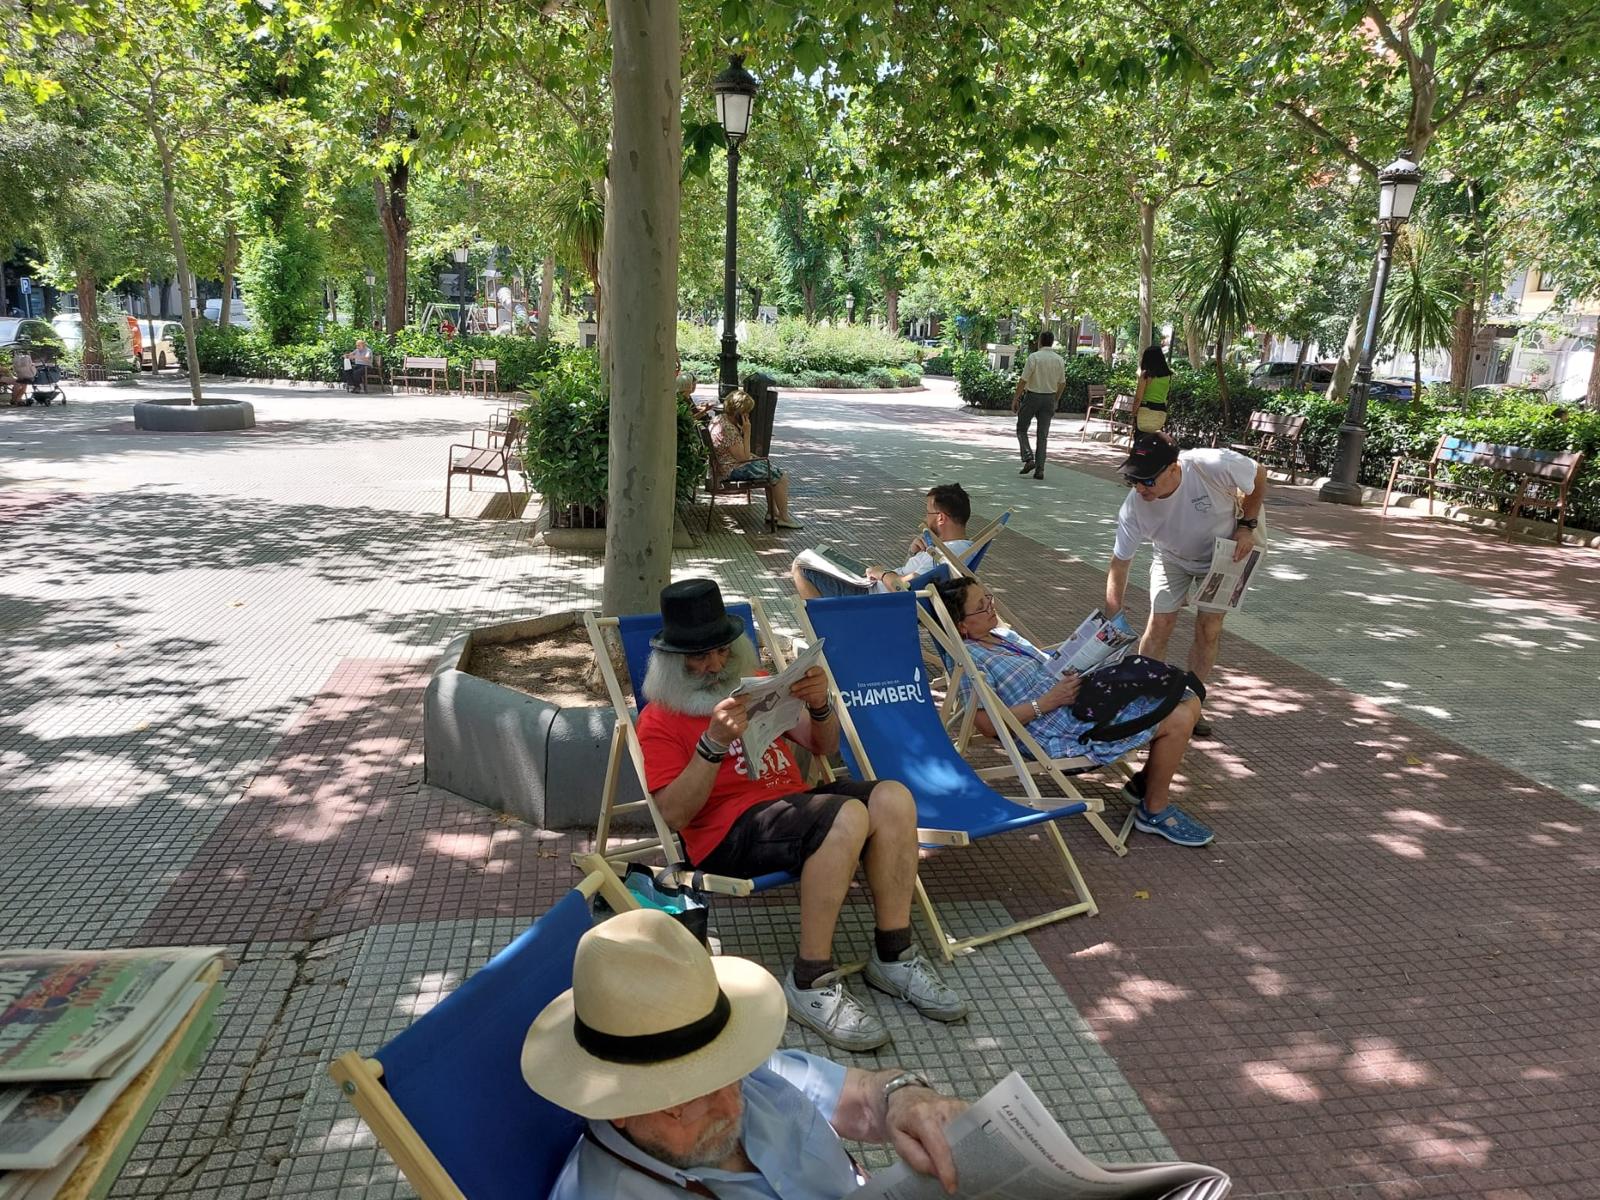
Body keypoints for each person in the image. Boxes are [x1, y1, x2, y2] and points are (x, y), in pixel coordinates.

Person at [637, 579, 966, 1051]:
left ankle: (894, 955)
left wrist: (819, 704)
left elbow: (822, 746)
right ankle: (811, 980)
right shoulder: (660, 719)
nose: (715, 665)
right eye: (699, 657)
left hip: (794, 808)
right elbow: (673, 814)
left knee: (894, 797)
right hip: (727, 834)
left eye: (722, 651)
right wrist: (711, 744)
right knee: (845, 815)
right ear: (672, 662)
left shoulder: (752, 685)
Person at [523, 907, 971, 1200]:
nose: (732, 1105)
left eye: (728, 1071)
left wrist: (904, 1096)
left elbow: (863, 1096)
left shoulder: (748, 1074)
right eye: (690, 1097)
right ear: (617, 1107)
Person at [934, 576, 1212, 847]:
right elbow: (986, 725)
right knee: (1178, 717)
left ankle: (1145, 783)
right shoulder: (969, 658)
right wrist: (1047, 702)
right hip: (1058, 729)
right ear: (962, 626)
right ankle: (1153, 809)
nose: (990, 607)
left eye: (988, 599)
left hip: (1077, 702)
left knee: (1187, 696)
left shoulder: (1000, 635)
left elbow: (1044, 668)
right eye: (981, 607)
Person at [1103, 432, 1268, 739]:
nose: (1140, 488)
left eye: (1148, 480)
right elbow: (1120, 563)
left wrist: (1247, 526)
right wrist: (1112, 619)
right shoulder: (1134, 507)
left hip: (1226, 552)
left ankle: (1192, 702)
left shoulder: (1211, 464)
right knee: (1160, 622)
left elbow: (1258, 473)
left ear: (1174, 468)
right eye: (1133, 479)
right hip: (1172, 556)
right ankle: (1147, 699)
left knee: (1209, 628)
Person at [790, 483, 972, 599]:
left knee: (801, 567)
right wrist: (913, 553)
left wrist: (881, 574)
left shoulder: (944, 555)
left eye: (928, 513)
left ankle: (826, 631)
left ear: (941, 518)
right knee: (815, 559)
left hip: (874, 599)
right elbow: (911, 578)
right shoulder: (960, 549)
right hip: (879, 590)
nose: (925, 518)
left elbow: (904, 590)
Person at [709, 389, 803, 530]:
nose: (748, 415)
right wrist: (747, 432)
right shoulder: (728, 430)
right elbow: (744, 459)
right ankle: (784, 517)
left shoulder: (719, 419)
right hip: (732, 469)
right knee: (780, 477)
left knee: (769, 468)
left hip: (724, 465)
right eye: (746, 412)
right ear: (739, 413)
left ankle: (772, 512)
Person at [1011, 330, 1066, 479]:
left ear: (1040, 341)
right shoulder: (1059, 360)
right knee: (1043, 435)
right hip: (1049, 397)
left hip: (1033, 396)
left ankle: (1028, 457)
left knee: (1021, 428)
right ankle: (1040, 470)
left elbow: (1023, 380)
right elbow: (1062, 383)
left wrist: (1016, 398)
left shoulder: (1034, 357)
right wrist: (1056, 399)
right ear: (1052, 342)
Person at [1130, 344, 1172, 434]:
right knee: (1154, 438)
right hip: (1161, 412)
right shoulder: (1168, 376)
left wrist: (1133, 414)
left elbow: (1138, 398)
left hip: (1145, 410)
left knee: (1141, 438)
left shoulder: (1145, 375)